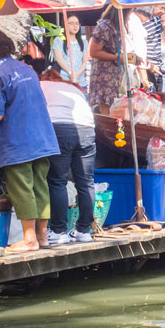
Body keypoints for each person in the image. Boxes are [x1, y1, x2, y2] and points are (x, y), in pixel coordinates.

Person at [0, 29, 59, 253]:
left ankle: (29, 239)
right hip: (42, 138)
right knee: (40, 186)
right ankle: (42, 236)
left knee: (22, 188)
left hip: (17, 142)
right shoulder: (27, 69)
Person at [37, 62, 96, 245]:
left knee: (57, 182)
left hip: (60, 128)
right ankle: (84, 231)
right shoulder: (72, 87)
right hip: (87, 129)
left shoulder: (40, 85)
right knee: (86, 182)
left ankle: (58, 231)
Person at [87, 11, 123, 110]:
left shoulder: (116, 27)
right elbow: (93, 52)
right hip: (104, 76)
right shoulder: (104, 27)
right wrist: (116, 57)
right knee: (106, 107)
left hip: (114, 75)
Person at [50, 14, 89, 91]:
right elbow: (59, 59)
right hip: (64, 78)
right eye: (71, 23)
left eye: (77, 23)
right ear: (65, 25)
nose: (75, 26)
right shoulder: (59, 40)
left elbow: (85, 61)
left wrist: (76, 75)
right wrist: (70, 73)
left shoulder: (83, 42)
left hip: (80, 80)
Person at [125, 7, 150, 89]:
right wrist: (145, 79)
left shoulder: (131, 19)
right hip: (130, 69)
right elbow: (140, 51)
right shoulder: (134, 21)